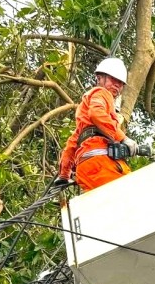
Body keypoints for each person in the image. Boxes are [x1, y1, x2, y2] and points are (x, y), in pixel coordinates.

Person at [54, 57, 145, 192]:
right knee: (131, 194)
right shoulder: (101, 93)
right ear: (99, 78)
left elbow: (71, 145)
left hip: (87, 169)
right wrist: (123, 138)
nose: (116, 85)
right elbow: (96, 113)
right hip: (100, 163)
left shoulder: (84, 129)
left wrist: (64, 174)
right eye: (113, 79)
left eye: (120, 83)